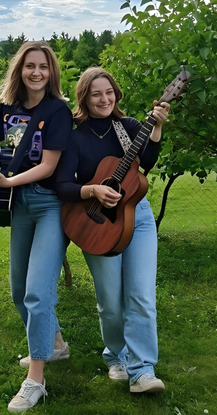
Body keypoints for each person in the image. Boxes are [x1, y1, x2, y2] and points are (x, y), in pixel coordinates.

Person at [55, 66, 168, 393]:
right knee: (110, 300)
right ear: (84, 97)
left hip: (138, 217)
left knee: (142, 295)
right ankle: (115, 354)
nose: (104, 99)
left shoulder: (129, 127)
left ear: (116, 94)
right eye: (96, 93)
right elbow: (62, 185)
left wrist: (157, 128)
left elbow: (145, 164)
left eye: (109, 92)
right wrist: (92, 191)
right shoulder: (74, 136)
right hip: (97, 221)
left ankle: (143, 369)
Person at [0, 40, 73, 412]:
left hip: (49, 206)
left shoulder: (58, 111)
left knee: (37, 293)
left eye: (43, 67)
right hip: (17, 206)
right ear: (20, 69)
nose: (36, 73)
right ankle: (56, 345)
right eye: (30, 66)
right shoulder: (7, 108)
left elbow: (48, 166)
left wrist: (7, 182)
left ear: (51, 73)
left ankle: (36, 380)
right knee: (19, 291)